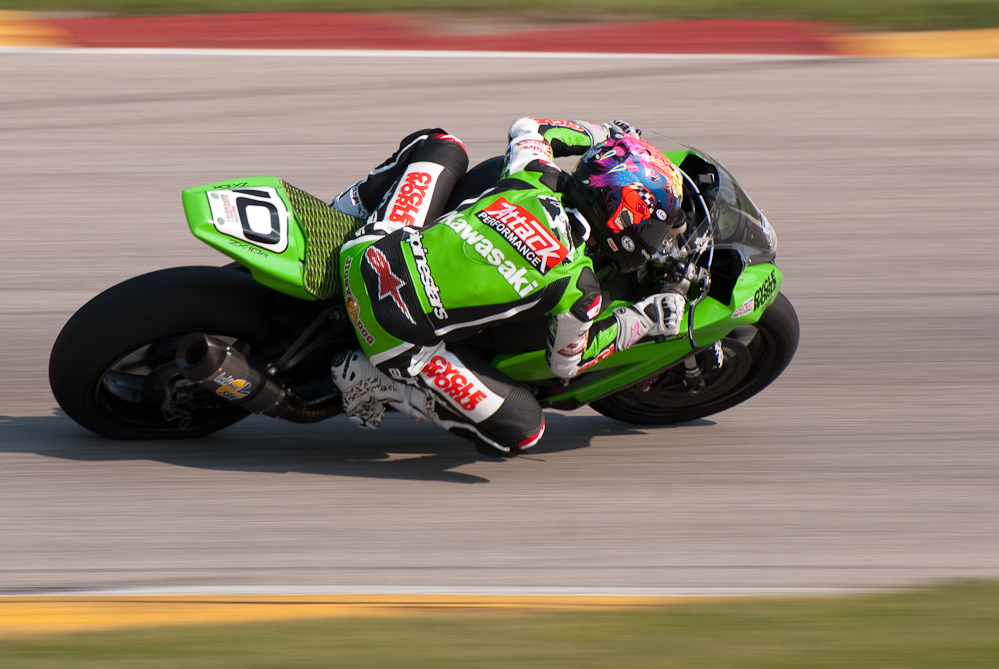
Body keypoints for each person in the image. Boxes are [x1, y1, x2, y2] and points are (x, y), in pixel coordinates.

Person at [329, 118, 687, 456]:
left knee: (441, 145)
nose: (656, 237)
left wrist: (603, 134)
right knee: (525, 430)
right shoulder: (579, 286)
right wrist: (643, 319)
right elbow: (567, 364)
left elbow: (530, 128)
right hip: (393, 338)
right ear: (624, 220)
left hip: (365, 253)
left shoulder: (532, 175)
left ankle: (344, 210)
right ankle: (381, 385)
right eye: (656, 225)